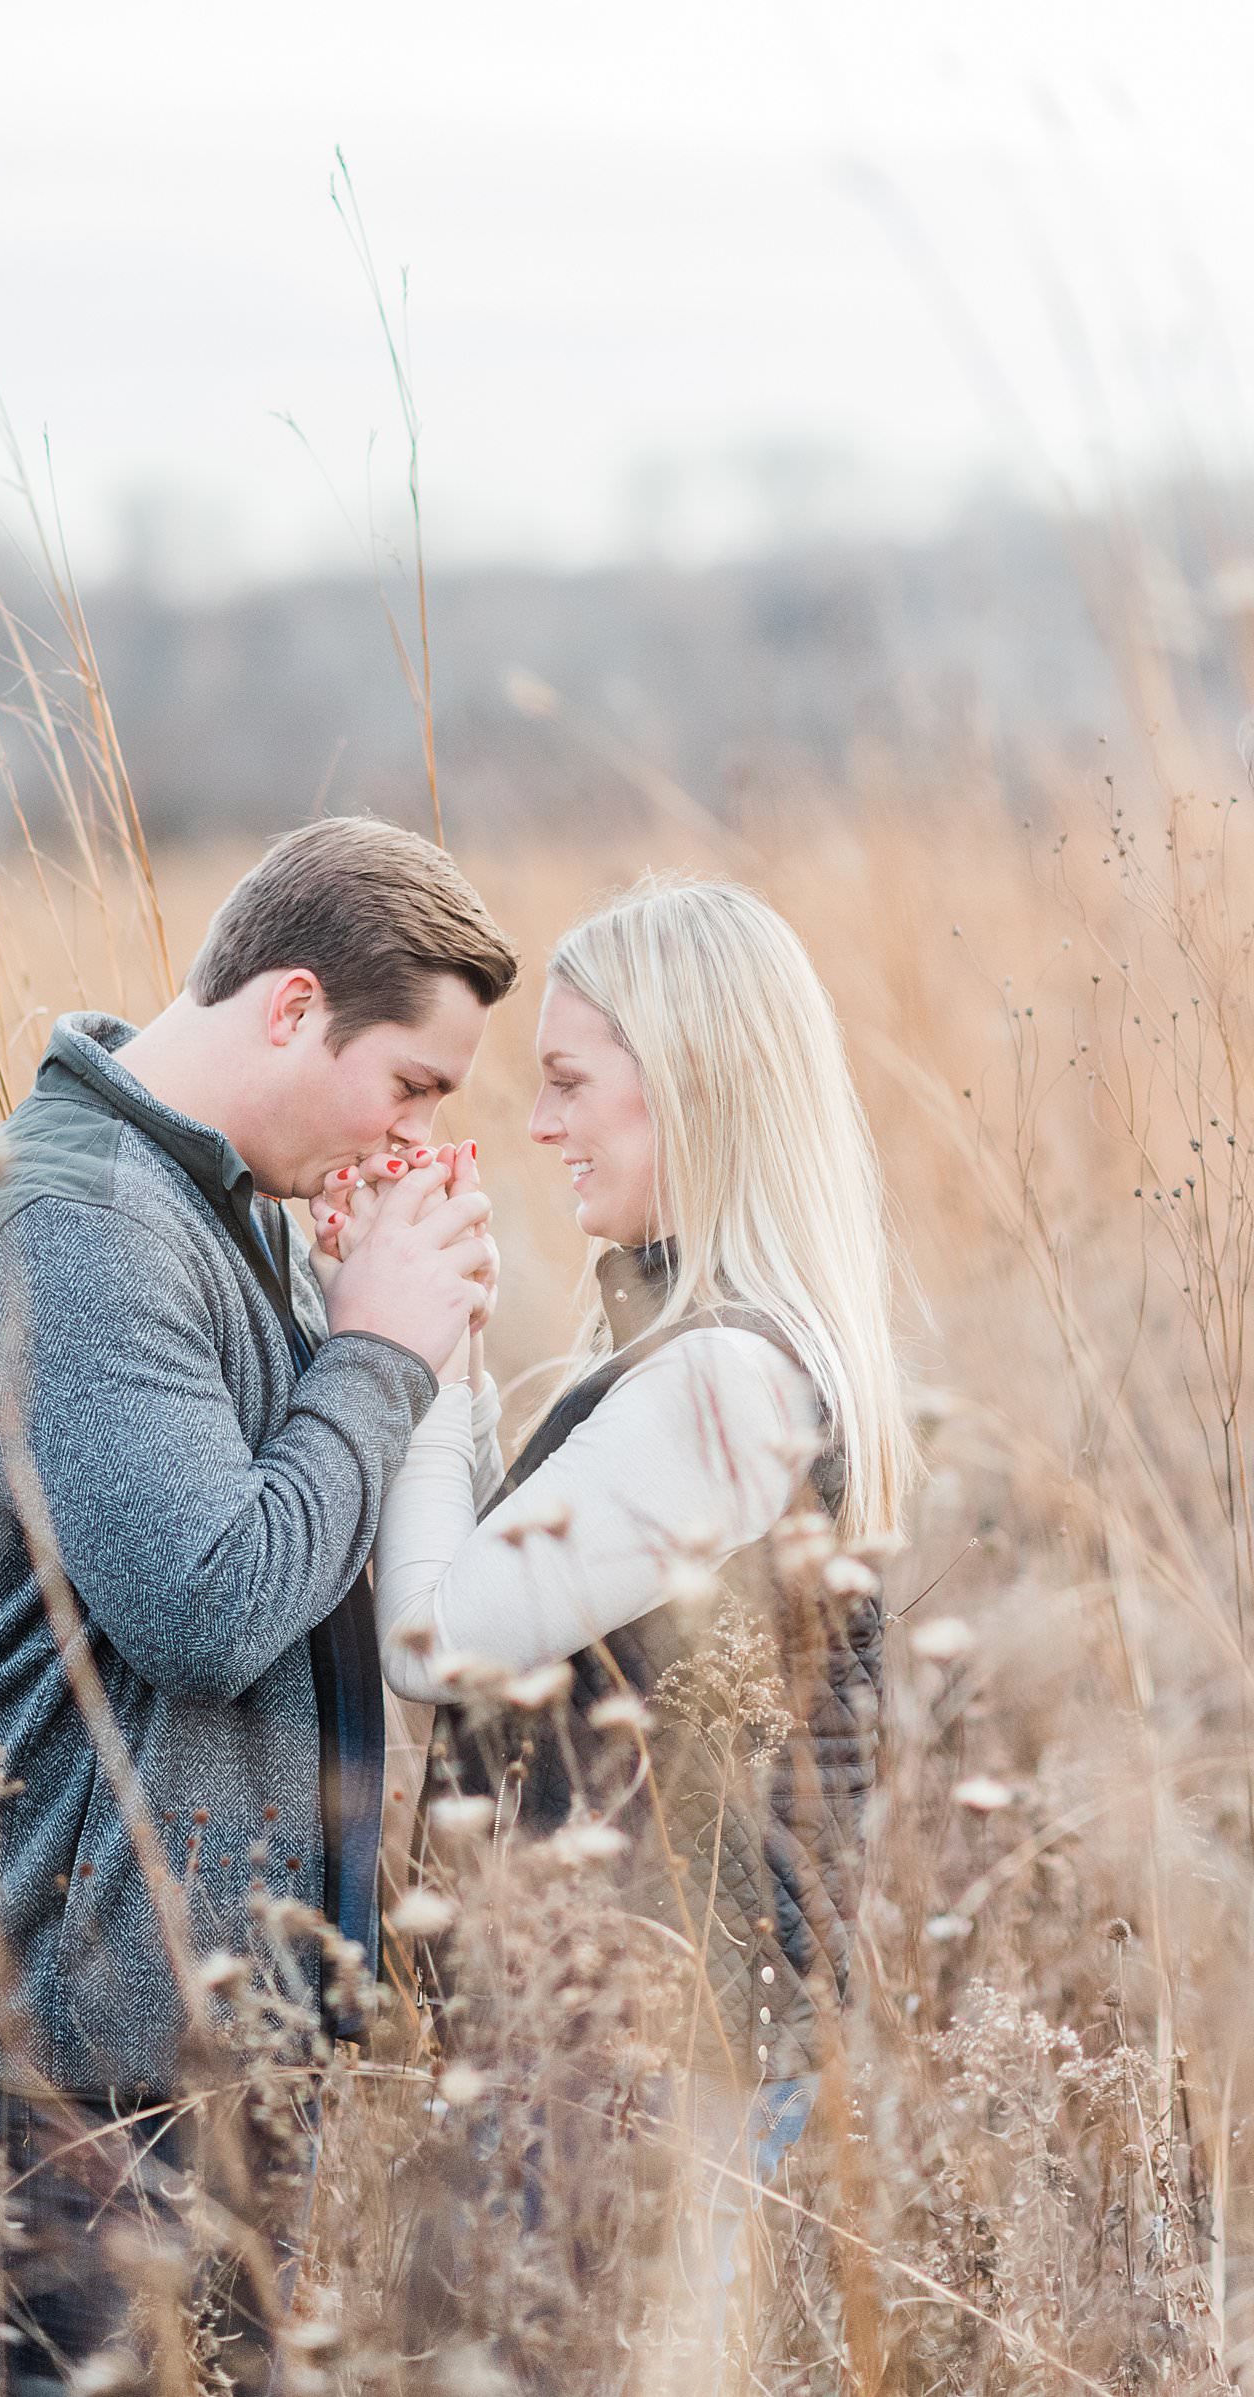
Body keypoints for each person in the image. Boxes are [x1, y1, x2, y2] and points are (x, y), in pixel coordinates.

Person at [0, 816, 518, 2394]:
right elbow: (207, 1604)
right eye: (410, 1085)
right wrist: (377, 1351)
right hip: (63, 2052)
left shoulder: (216, 1205)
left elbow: (285, 1540)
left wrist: (376, 1334)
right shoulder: (84, 1221)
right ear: (290, 1008)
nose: (414, 1139)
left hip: (177, 2031)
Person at [313, 871, 917, 2368]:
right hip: (646, 2045)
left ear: (694, 1087)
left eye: (572, 1082)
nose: (540, 1126)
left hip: (665, 2059)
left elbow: (441, 1641)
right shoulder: (706, 1360)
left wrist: (419, 1359)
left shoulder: (729, 1384)